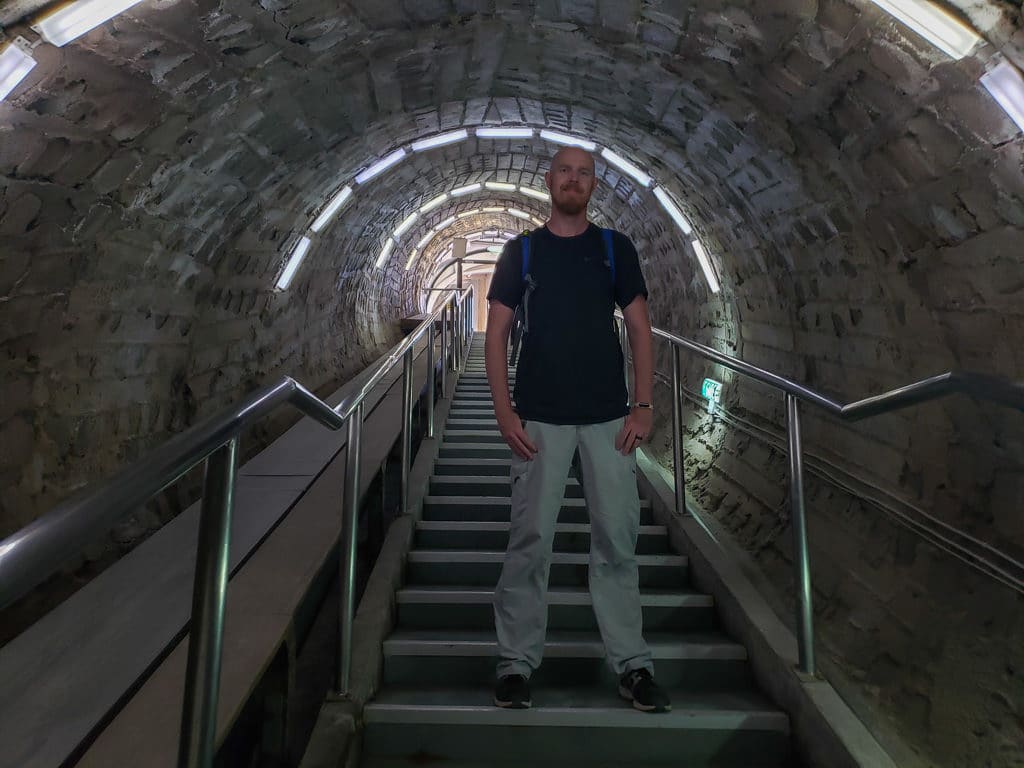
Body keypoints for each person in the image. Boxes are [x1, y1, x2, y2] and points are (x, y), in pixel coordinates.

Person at [484, 146, 671, 713]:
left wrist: (644, 405)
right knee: (530, 542)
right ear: (549, 180)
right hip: (539, 417)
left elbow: (639, 328)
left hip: (608, 418)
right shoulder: (522, 252)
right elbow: (495, 335)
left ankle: (632, 665)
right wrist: (503, 411)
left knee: (616, 541)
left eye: (583, 173)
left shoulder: (615, 249)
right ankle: (516, 664)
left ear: (594, 185)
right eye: (564, 171)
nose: (573, 180)